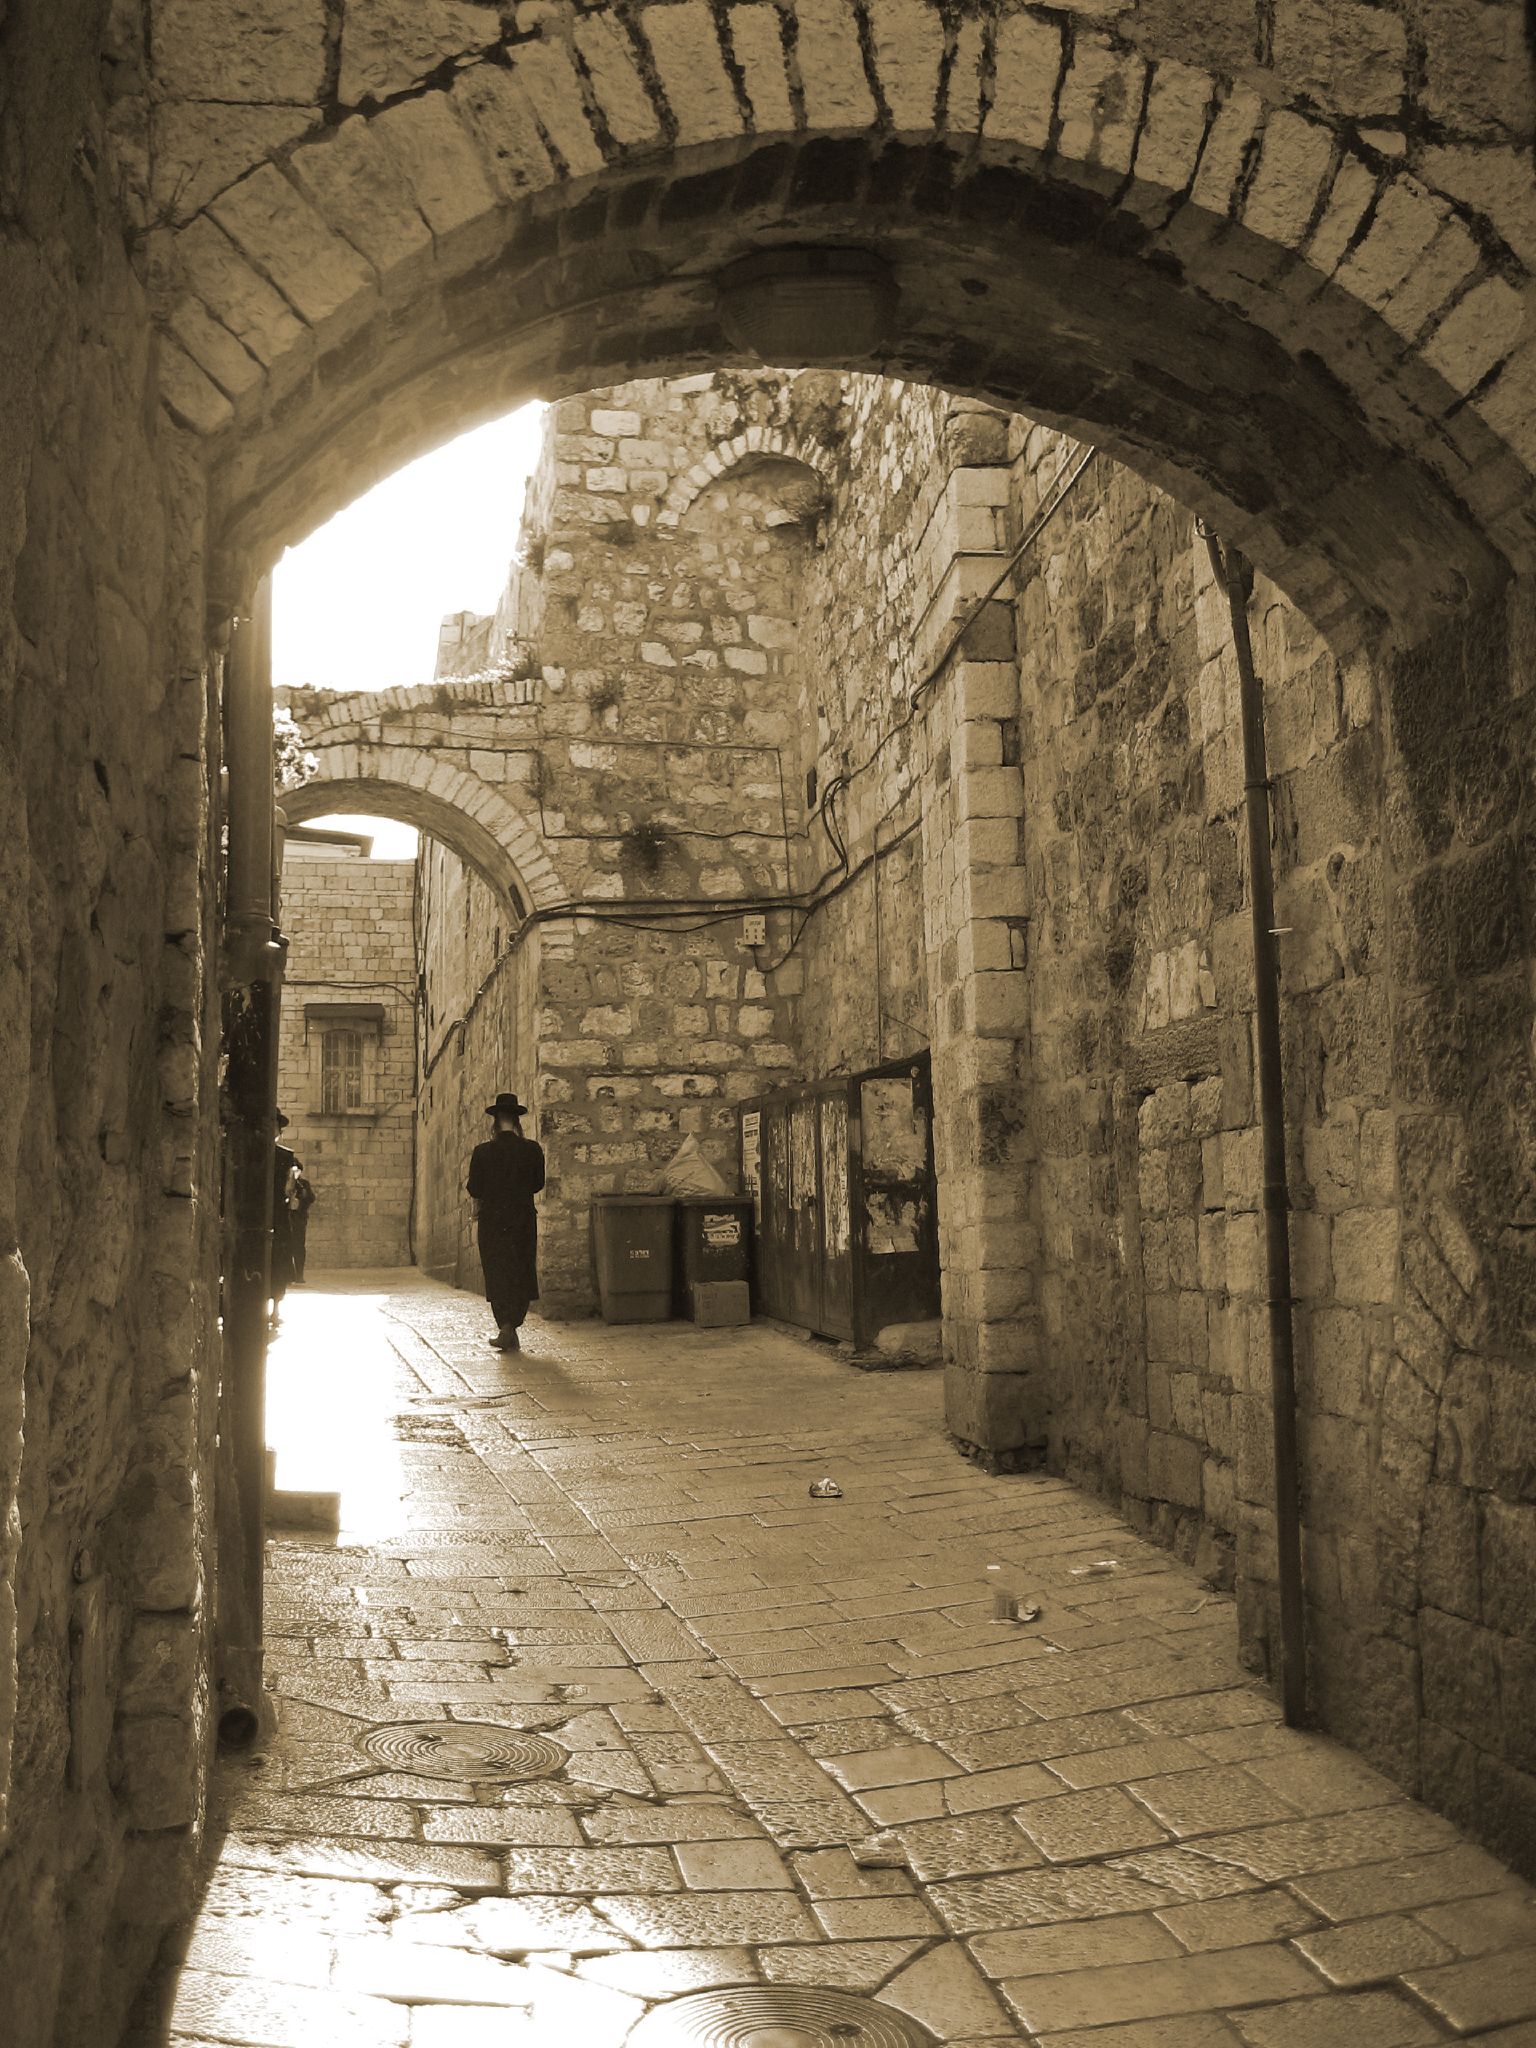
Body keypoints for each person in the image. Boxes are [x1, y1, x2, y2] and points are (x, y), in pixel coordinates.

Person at [467, 1091, 545, 1352]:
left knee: (497, 1271)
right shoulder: (532, 1150)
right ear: (517, 1121)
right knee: (521, 1270)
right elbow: (537, 1184)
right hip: (523, 1219)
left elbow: (474, 1188)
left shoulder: (482, 1152)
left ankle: (506, 1326)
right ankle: (512, 1325)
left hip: (493, 1222)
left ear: (495, 1121)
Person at [270, 1112, 298, 1326]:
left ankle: (276, 1308)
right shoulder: (286, 1158)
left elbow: (289, 1191)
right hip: (271, 1214)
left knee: (279, 1261)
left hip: (278, 1215)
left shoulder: (286, 1157)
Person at [289, 1161, 316, 1283]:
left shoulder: (304, 1184)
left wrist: (303, 1196)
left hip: (299, 1219)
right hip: (288, 1219)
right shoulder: (286, 1184)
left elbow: (311, 1198)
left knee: (299, 1247)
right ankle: (289, 1274)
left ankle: (299, 1274)